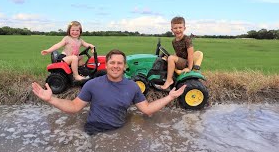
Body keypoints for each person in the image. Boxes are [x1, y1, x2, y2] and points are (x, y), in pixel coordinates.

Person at [32, 49, 186, 135]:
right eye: (112, 62)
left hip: (118, 131)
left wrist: (170, 97)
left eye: (119, 63)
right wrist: (51, 99)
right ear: (106, 65)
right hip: (93, 131)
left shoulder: (132, 87)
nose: (116, 66)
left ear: (125, 66)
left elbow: (146, 109)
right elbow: (74, 107)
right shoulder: (92, 84)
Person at [160, 16, 194, 90]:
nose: (178, 30)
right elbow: (177, 53)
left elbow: (191, 55)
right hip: (181, 60)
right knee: (166, 58)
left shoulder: (187, 40)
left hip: (186, 63)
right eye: (175, 28)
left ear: (184, 28)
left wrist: (189, 68)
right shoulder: (174, 41)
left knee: (171, 58)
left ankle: (169, 80)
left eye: (180, 27)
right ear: (172, 30)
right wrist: (169, 57)